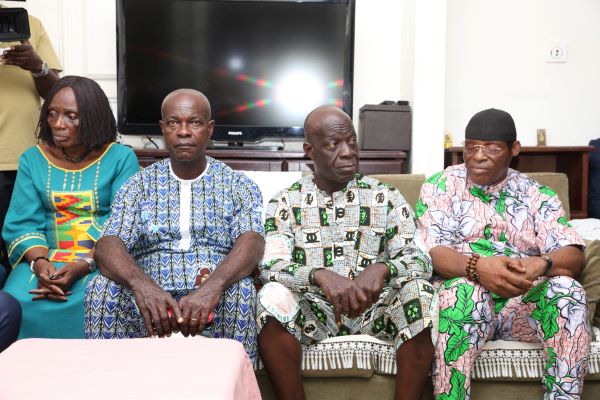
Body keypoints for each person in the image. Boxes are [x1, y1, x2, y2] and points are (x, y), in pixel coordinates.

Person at [257, 105, 435, 400]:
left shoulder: (386, 196)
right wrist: (319, 275)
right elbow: (271, 265)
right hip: (314, 312)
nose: (348, 152)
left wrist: (383, 268)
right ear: (310, 151)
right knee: (270, 296)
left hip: (376, 311)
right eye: (333, 144)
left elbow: (420, 260)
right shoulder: (286, 202)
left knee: (420, 291)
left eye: (352, 142)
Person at [415, 108, 590, 399]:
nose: (478, 156)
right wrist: (477, 267)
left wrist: (541, 263)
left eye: (492, 147)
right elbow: (432, 251)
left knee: (568, 290)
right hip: (465, 299)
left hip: (521, 303)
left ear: (514, 149)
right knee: (463, 293)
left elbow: (573, 254)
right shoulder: (441, 186)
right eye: (471, 147)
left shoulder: (537, 194)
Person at [84, 89, 264, 361]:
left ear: (209, 128)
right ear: (162, 129)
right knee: (101, 288)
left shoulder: (238, 185)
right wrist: (143, 286)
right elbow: (108, 244)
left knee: (242, 290)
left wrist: (212, 288)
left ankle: (232, 381)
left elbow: (252, 242)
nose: (183, 132)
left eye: (194, 122)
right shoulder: (138, 185)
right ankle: (109, 379)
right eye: (173, 123)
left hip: (214, 295)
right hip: (148, 297)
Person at [1, 75, 140, 338]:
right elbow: (23, 222)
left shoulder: (121, 158)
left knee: (97, 299)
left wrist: (83, 265)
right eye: (52, 114)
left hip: (101, 260)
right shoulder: (33, 158)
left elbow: (124, 223)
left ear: (93, 118)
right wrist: (40, 264)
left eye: (70, 116)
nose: (57, 124)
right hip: (43, 258)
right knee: (18, 299)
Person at [0, 4, 62, 277]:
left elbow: (57, 93)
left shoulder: (28, 24)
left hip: (24, 162)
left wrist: (38, 66)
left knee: (24, 253)